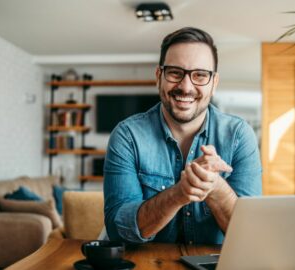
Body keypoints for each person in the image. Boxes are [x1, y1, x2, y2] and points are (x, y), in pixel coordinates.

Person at [103, 27, 262, 245]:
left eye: (199, 75)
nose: (186, 87)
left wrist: (215, 187)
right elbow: (119, 231)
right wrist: (179, 193)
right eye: (175, 73)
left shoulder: (239, 136)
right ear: (159, 76)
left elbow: (251, 236)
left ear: (214, 83)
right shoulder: (127, 136)